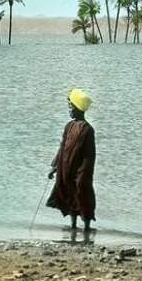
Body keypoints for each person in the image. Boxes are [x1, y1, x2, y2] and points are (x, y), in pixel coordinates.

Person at [46, 88, 96, 232]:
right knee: (69, 194)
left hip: (81, 171)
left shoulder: (88, 130)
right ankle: (73, 226)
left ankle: (87, 226)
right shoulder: (69, 126)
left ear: (79, 109)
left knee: (83, 195)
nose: (70, 110)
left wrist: (84, 175)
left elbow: (89, 156)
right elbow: (62, 148)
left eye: (72, 107)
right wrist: (55, 167)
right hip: (66, 168)